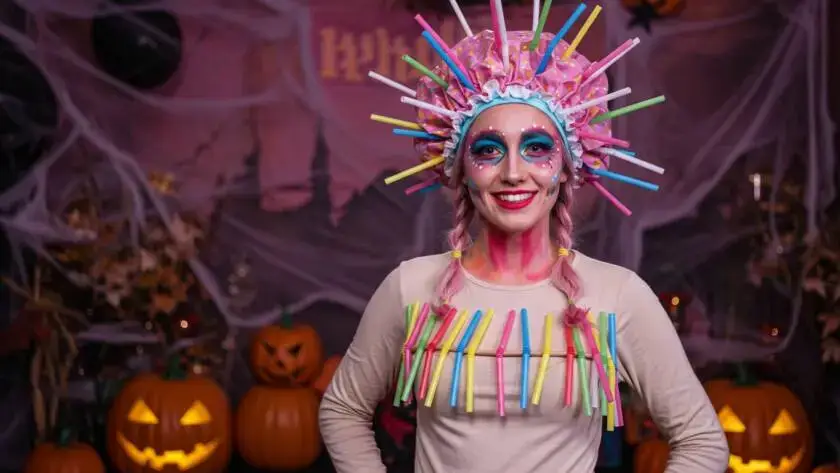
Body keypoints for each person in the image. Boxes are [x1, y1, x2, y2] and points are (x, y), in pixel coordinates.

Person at [319, 2, 729, 472]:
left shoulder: (618, 296)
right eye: (489, 150)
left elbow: (702, 441)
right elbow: (342, 410)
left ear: (567, 166)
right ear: (459, 169)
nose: (514, 173)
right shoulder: (410, 288)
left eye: (537, 148)